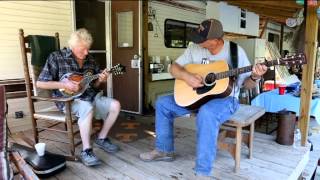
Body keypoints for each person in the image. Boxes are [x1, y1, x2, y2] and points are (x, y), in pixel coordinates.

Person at [139, 19, 267, 178]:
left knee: (207, 113)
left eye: (202, 40)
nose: (197, 42)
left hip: (226, 100)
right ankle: (164, 150)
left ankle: (202, 171)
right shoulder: (194, 49)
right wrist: (187, 76)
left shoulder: (235, 51)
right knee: (163, 103)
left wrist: (255, 77)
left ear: (216, 40)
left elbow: (246, 86)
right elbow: (173, 68)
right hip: (196, 97)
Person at [37, 28, 120, 166]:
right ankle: (86, 150)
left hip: (89, 96)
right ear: (72, 46)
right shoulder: (56, 57)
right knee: (86, 107)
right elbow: (40, 83)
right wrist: (63, 84)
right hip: (68, 100)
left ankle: (102, 138)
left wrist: (101, 79)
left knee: (115, 105)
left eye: (88, 49)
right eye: (83, 49)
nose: (86, 52)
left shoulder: (91, 60)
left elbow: (95, 85)